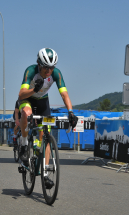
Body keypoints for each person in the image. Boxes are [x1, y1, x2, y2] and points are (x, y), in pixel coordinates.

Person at [18, 48, 78, 187]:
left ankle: (44, 174)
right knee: (26, 113)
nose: (48, 71)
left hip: (42, 102)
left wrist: (70, 112)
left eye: (51, 67)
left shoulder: (56, 74)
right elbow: (21, 95)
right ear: (39, 63)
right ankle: (24, 143)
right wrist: (34, 89)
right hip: (28, 99)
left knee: (46, 134)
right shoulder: (30, 71)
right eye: (45, 67)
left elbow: (64, 94)